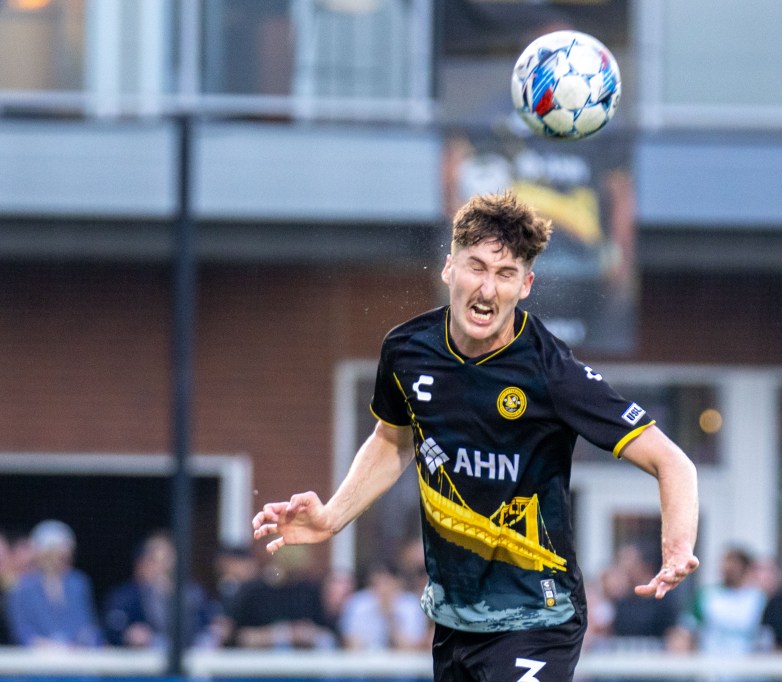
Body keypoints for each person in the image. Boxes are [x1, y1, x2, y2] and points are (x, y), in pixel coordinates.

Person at [252, 191, 700, 681]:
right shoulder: (407, 350)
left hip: (540, 615)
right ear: (449, 268)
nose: (487, 288)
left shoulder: (550, 371)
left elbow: (673, 462)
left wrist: (677, 547)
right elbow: (393, 439)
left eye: (505, 274)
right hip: (455, 620)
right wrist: (331, 518)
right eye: (477, 267)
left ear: (526, 285)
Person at [101, 530, 214, 649]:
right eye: (155, 560)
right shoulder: (125, 595)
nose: (162, 567)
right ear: (142, 562)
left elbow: (204, 624)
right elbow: (112, 628)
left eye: (167, 559)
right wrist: (128, 634)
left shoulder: (193, 593)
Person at [4, 520, 103, 648]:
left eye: (67, 550)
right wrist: (51, 647)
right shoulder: (21, 588)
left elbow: (88, 626)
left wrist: (85, 643)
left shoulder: (78, 583)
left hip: (77, 658)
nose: (64, 555)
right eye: (56, 552)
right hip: (36, 661)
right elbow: (21, 632)